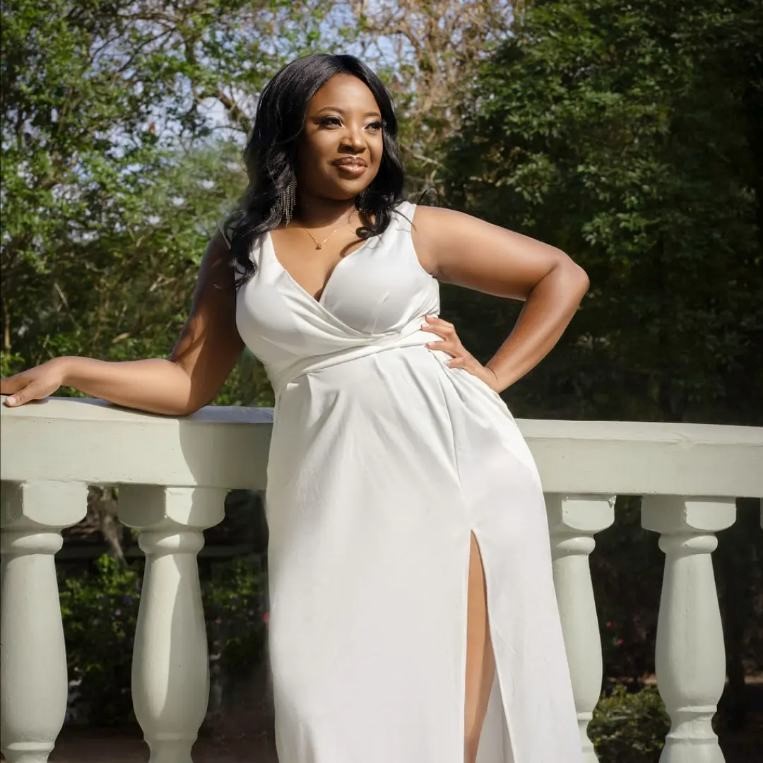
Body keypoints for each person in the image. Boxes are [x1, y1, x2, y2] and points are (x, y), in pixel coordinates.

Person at [1, 53, 589, 762]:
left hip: (454, 469)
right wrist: (68, 367)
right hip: (326, 494)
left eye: (373, 125)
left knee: (447, 693)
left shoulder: (413, 229)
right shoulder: (241, 247)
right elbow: (188, 378)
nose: (356, 141)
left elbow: (561, 273)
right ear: (289, 133)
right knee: (319, 689)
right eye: (331, 122)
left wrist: (489, 378)